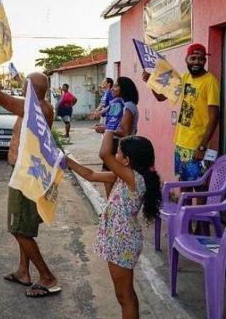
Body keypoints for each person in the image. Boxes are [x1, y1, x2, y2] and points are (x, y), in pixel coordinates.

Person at [0, 53, 60, 298]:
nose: (21, 88)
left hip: (26, 176)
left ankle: (48, 277)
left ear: (32, 90)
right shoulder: (41, 107)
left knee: (18, 228)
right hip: (27, 173)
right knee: (25, 226)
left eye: (24, 86)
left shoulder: (35, 109)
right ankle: (24, 271)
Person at [67, 132, 160, 319]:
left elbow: (104, 154)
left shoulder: (135, 179)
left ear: (126, 161)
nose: (115, 155)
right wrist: (66, 160)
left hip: (122, 243)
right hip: (118, 241)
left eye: (119, 153)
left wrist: (109, 127)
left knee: (125, 296)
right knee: (123, 295)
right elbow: (91, 174)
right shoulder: (124, 177)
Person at [142, 43, 220, 184]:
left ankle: (198, 208)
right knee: (184, 183)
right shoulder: (184, 78)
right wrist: (151, 81)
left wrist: (202, 146)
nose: (197, 62)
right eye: (193, 58)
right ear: (186, 59)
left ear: (205, 61)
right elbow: (161, 97)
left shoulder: (211, 82)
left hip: (196, 145)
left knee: (199, 185)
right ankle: (184, 207)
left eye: (201, 59)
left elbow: (214, 117)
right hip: (181, 142)